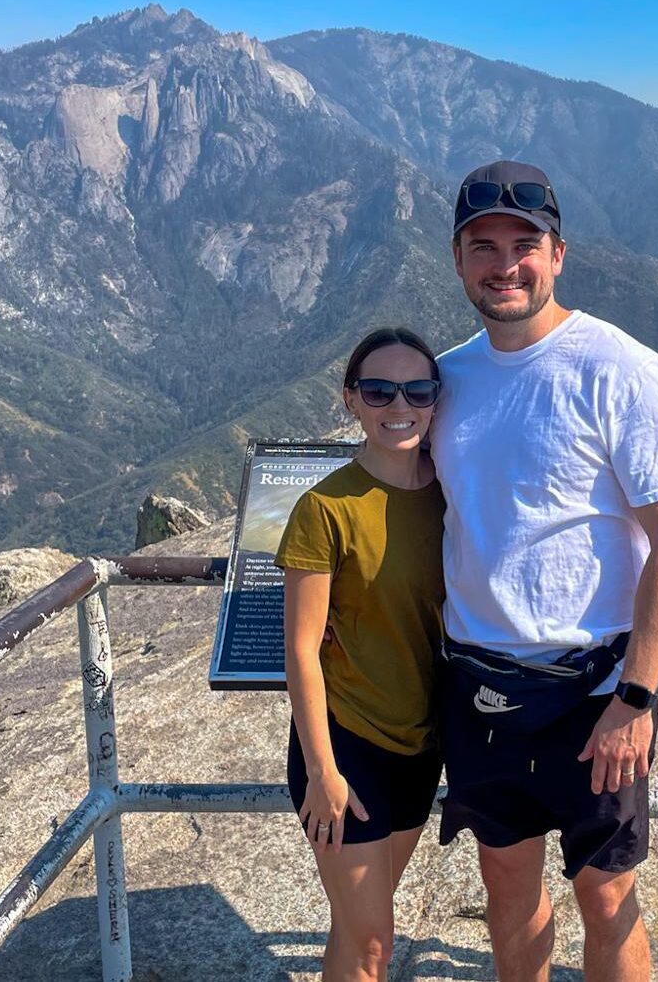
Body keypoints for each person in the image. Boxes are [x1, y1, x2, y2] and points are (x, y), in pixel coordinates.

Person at [431, 160, 658, 982]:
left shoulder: (618, 368)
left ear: (558, 255)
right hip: (478, 683)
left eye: (524, 244)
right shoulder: (450, 377)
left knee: (607, 895)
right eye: (482, 246)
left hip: (594, 691)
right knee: (505, 884)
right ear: (457, 260)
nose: (503, 264)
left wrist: (635, 696)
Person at [276, 327, 447, 982]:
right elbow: (300, 648)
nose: (397, 404)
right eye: (378, 390)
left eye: (417, 389)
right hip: (347, 748)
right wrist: (322, 772)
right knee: (374, 940)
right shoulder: (324, 509)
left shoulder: (450, 493)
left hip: (419, 747)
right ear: (351, 399)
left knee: (355, 932)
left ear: (435, 399)